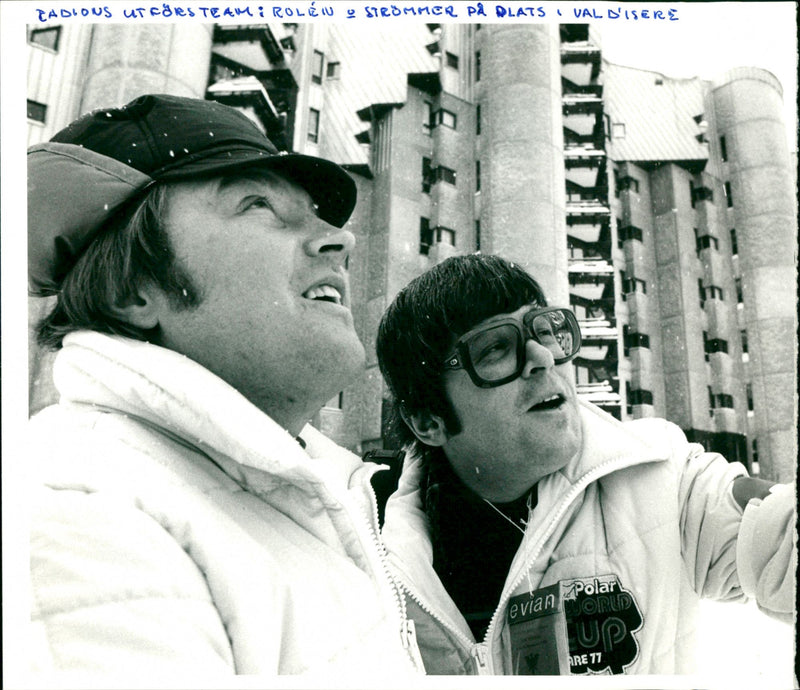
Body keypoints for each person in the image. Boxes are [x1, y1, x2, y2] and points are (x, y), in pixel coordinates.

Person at [27, 94, 424, 678]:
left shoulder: (297, 493)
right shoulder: (80, 513)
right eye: (259, 205)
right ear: (133, 290)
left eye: (317, 214)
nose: (342, 240)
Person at [375, 253, 795, 676]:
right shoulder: (366, 544)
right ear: (429, 421)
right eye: (497, 348)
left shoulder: (663, 477)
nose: (542, 356)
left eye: (545, 331)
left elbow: (779, 535)